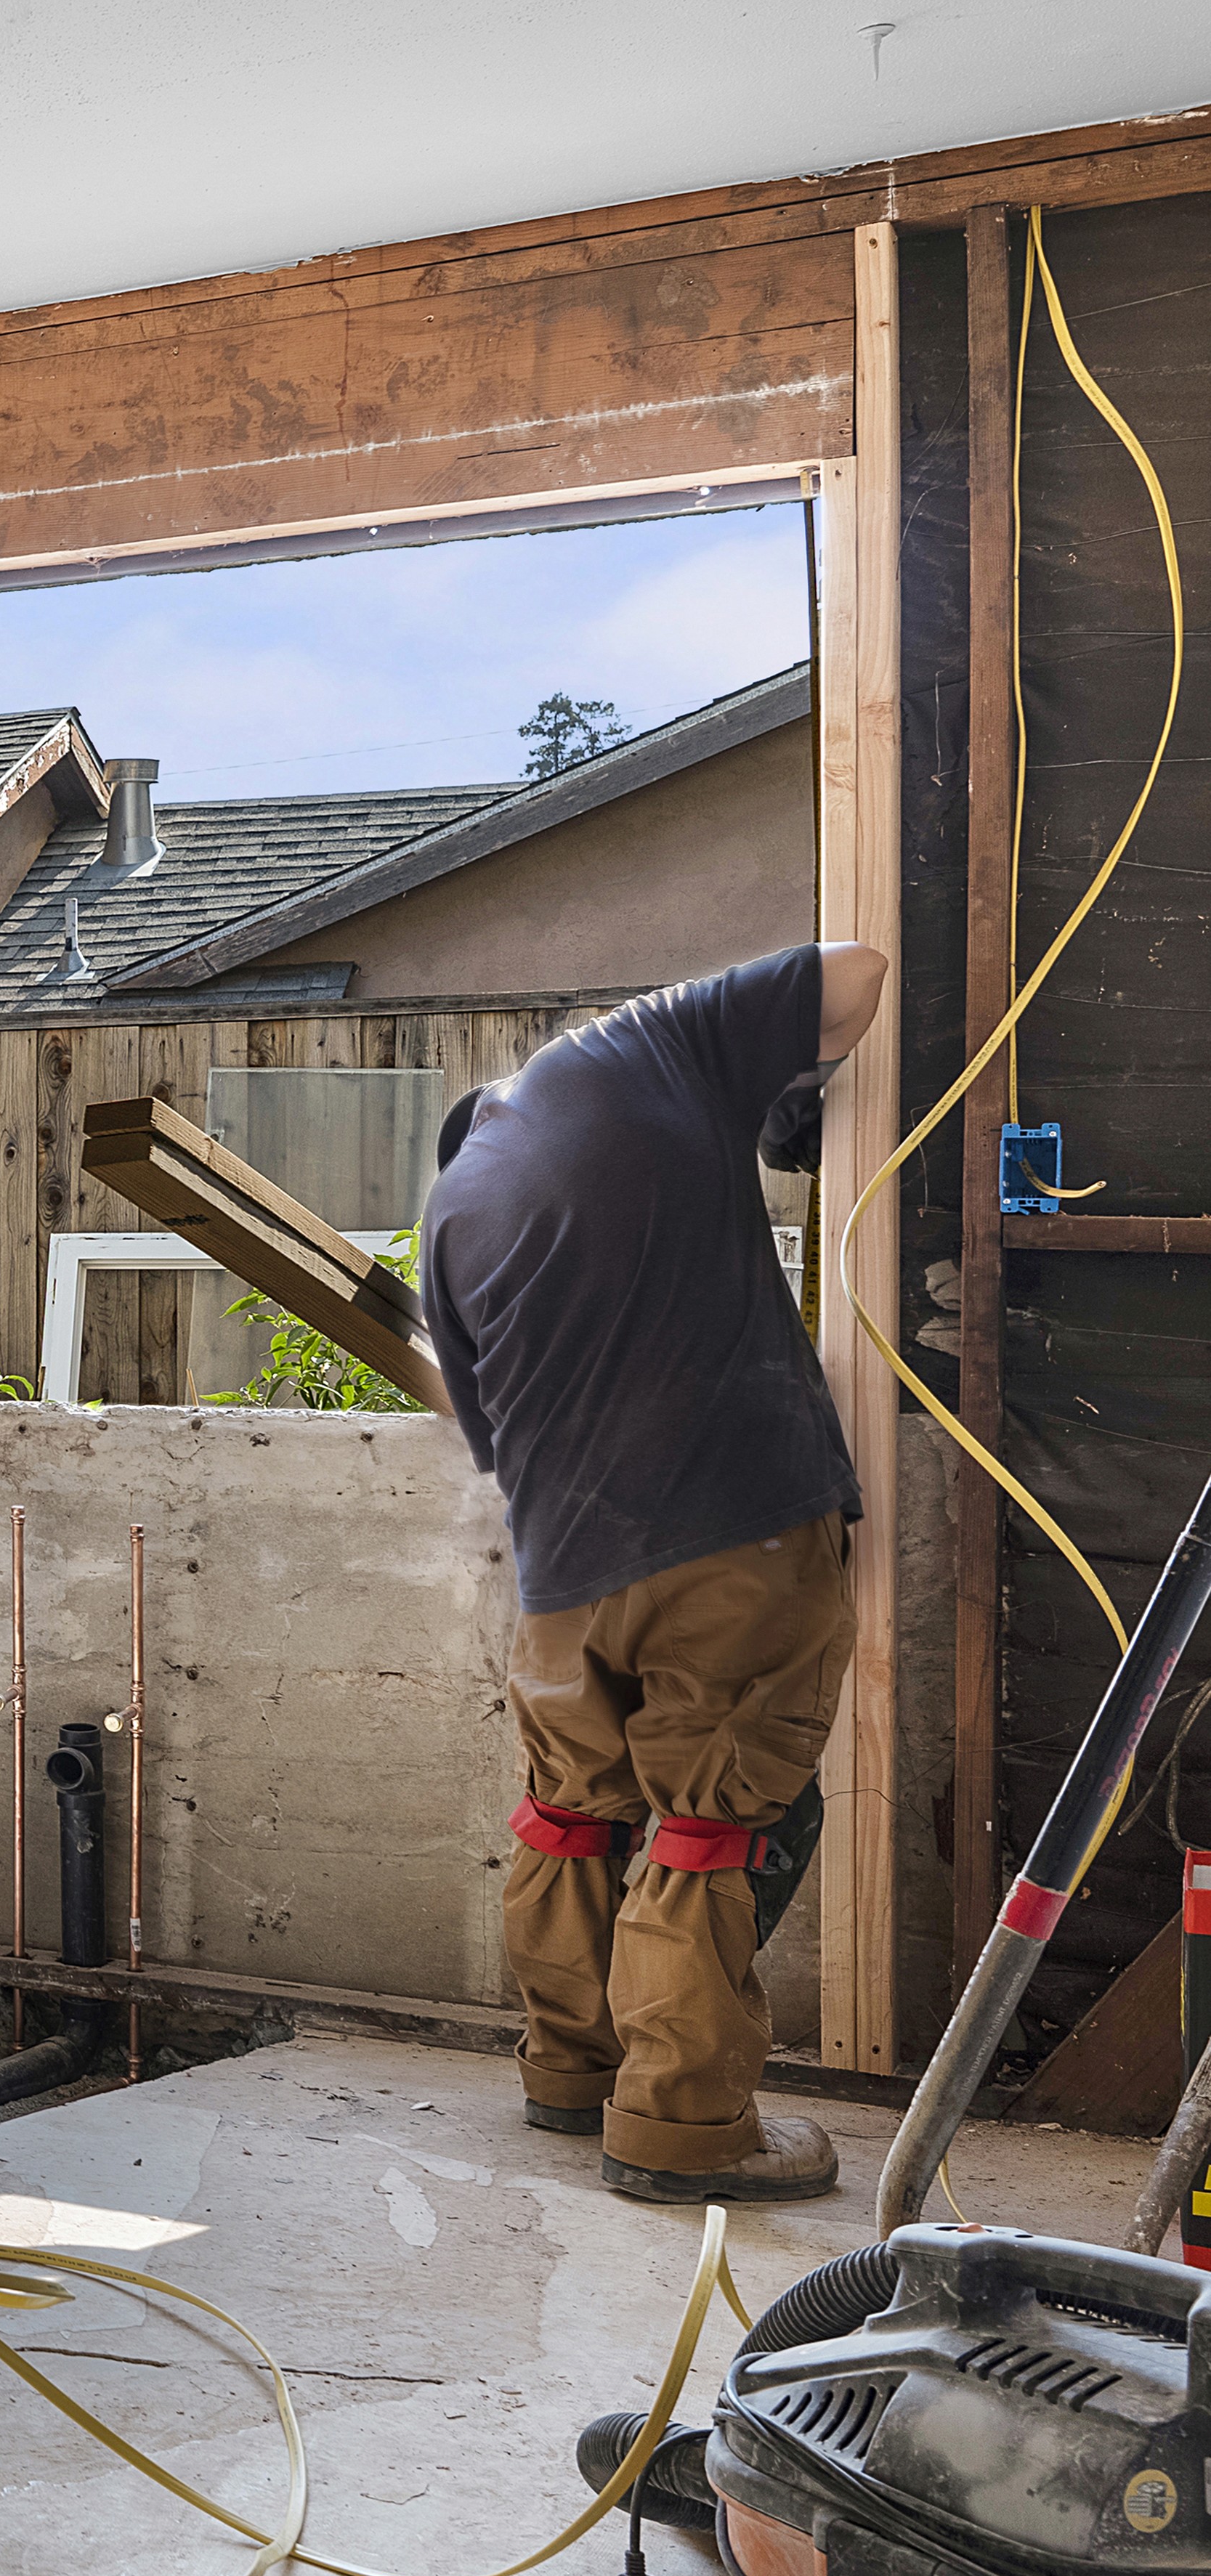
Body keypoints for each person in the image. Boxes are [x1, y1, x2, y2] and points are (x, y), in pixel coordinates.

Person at [421, 938, 889, 2209]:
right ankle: (682, 2129)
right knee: (706, 1822)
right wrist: (777, 1090)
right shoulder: (639, 1050)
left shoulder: (451, 1216)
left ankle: (570, 2073)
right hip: (733, 1530)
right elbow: (857, 969)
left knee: (569, 1811)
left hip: (562, 1577)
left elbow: (489, 1438)